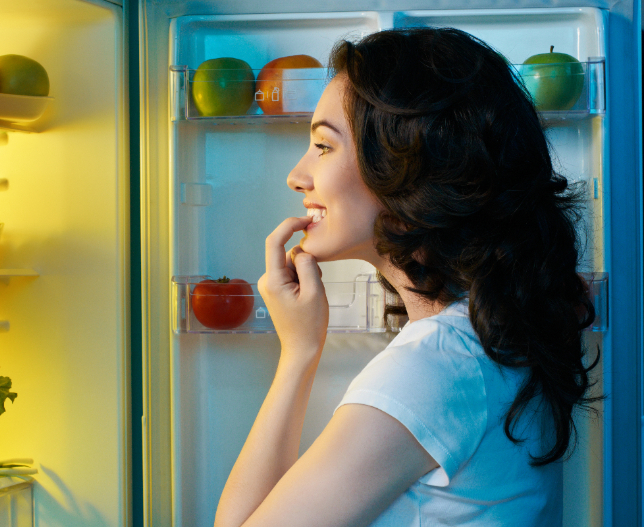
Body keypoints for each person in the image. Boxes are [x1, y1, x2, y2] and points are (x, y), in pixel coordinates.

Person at [213, 27, 600, 527]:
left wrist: (297, 355)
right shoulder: (485, 338)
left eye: (323, 146)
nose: (297, 175)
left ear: (402, 170)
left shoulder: (432, 369)